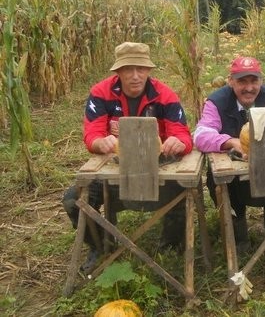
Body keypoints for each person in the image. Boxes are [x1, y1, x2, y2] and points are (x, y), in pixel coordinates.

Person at [62, 42, 193, 272]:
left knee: (183, 188)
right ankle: (100, 245)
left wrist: (178, 142)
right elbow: (92, 133)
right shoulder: (100, 93)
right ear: (118, 71)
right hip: (115, 171)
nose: (135, 76)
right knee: (74, 198)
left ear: (148, 70)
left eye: (141, 69)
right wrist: (99, 142)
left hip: (159, 171)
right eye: (128, 69)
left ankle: (170, 246)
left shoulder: (165, 95)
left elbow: (182, 133)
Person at [193, 56, 265, 258]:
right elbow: (201, 135)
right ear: (231, 81)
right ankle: (238, 238)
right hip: (235, 174)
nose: (249, 88)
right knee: (217, 180)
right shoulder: (217, 101)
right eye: (242, 81)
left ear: (261, 81)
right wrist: (232, 142)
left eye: (254, 81)